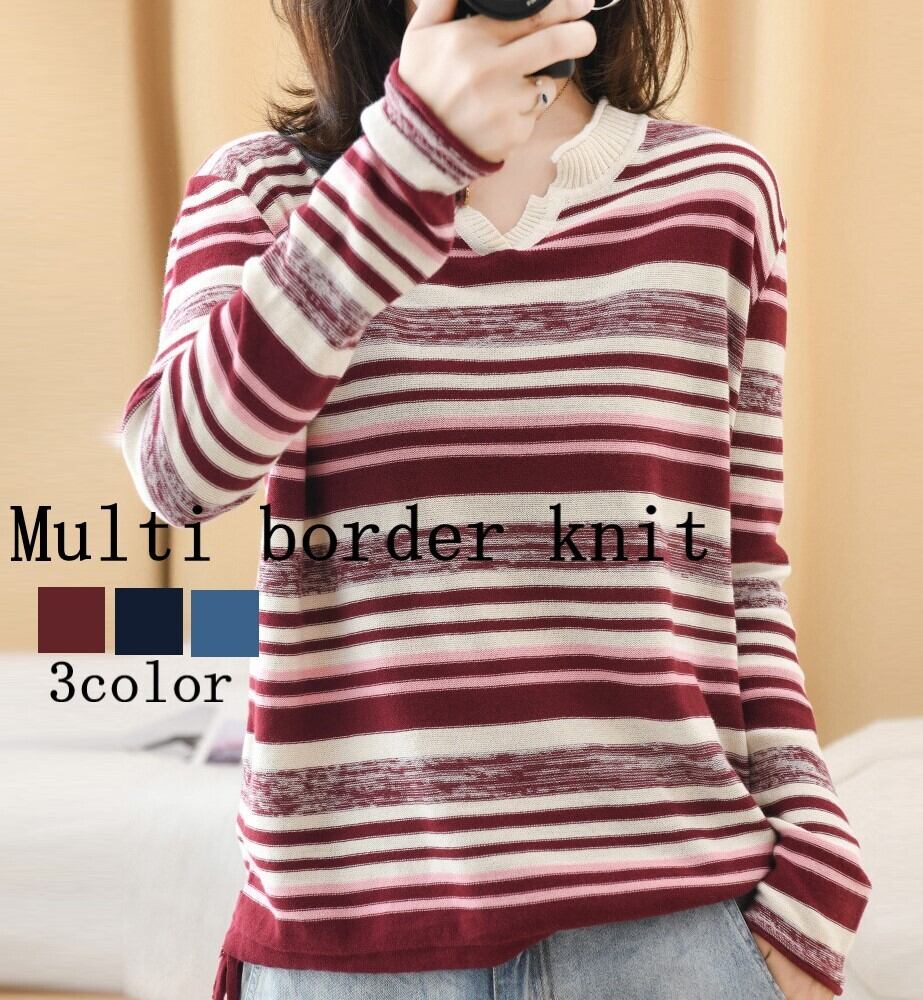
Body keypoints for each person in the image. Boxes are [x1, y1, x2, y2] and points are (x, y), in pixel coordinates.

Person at [119, 0, 873, 997]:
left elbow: (737, 573)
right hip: (352, 948)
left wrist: (815, 876)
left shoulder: (717, 194)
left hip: (672, 934)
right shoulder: (266, 190)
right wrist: (403, 165)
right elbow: (178, 471)